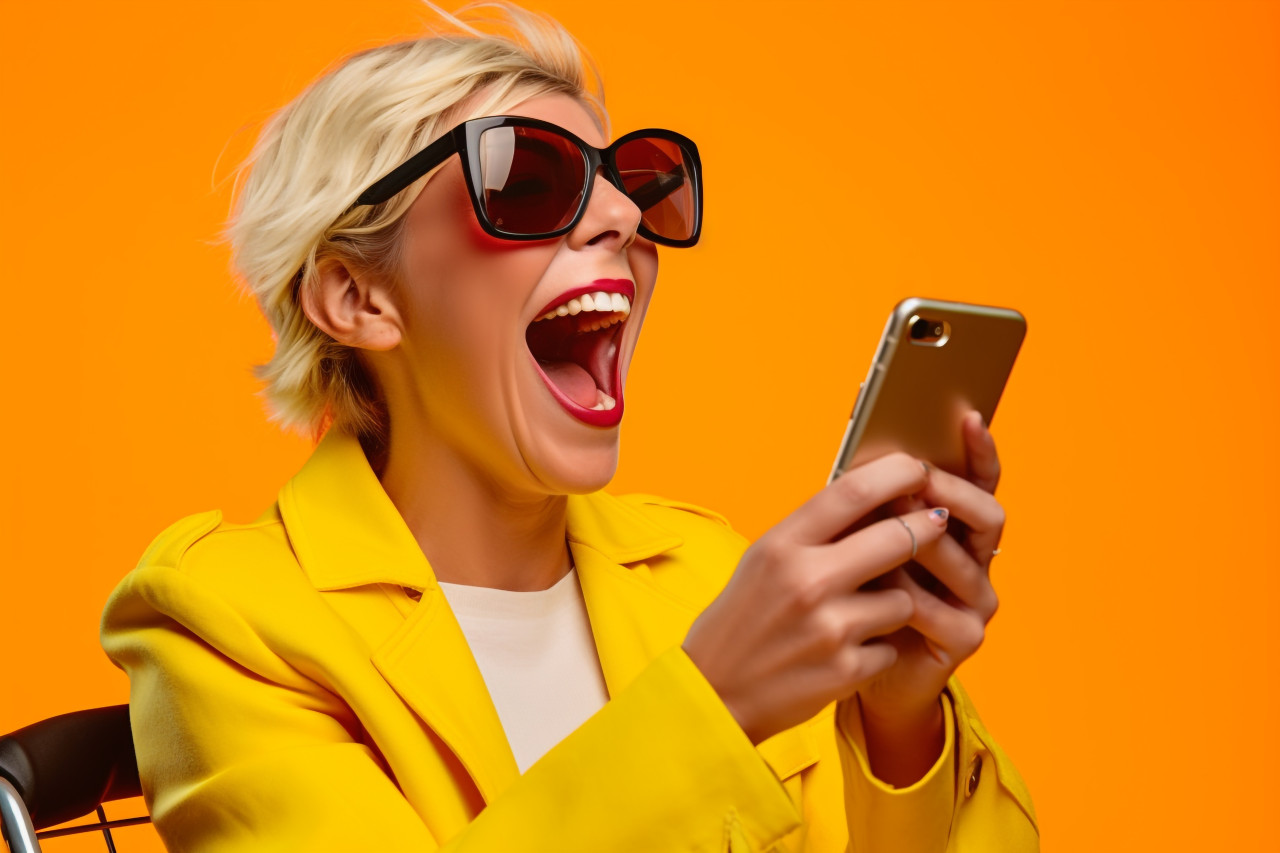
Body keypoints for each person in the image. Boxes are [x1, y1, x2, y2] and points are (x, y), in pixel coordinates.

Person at [101, 3, 1038, 850]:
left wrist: (900, 723)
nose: (625, 216)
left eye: (629, 179)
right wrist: (712, 705)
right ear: (358, 296)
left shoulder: (710, 573)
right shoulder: (227, 623)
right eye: (525, 180)